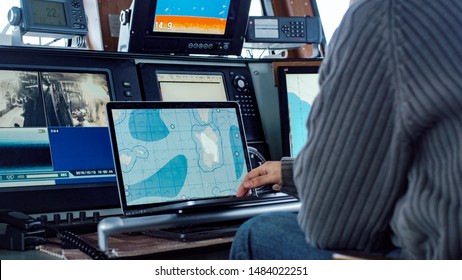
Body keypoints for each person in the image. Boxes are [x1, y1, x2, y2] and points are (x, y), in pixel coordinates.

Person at [230, 0, 462, 260]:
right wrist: (292, 172)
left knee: (256, 234)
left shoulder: (387, 11)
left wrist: (321, 183)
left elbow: (331, 225)